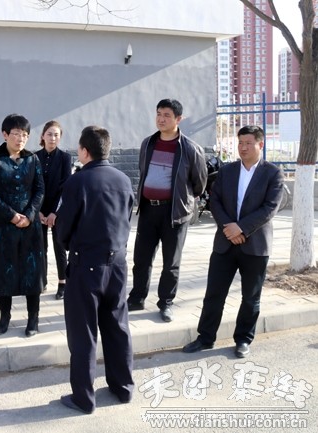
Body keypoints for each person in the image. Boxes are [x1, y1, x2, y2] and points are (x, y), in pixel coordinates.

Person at [182, 125, 284, 358]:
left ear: (260, 144)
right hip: (225, 243)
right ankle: (205, 338)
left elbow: (270, 208)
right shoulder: (227, 171)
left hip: (255, 246)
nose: (243, 147)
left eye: (248, 143)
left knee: (250, 298)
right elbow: (215, 200)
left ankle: (243, 339)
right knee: (214, 294)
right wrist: (229, 227)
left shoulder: (272, 173)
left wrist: (242, 228)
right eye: (240, 143)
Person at [56, 126, 135, 414]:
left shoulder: (77, 182)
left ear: (85, 151)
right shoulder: (124, 180)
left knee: (83, 333)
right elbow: (127, 217)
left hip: (86, 266)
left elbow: (63, 227)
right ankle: (123, 387)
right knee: (117, 327)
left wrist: (68, 245)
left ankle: (83, 397)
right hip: (117, 264)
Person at [126, 99, 207, 322]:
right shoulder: (148, 143)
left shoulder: (190, 148)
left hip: (175, 213)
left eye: (167, 115)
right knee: (141, 259)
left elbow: (199, 183)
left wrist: (182, 199)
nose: (161, 119)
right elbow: (143, 172)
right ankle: (137, 298)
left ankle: (166, 302)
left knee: (171, 263)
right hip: (148, 210)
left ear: (178, 119)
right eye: (159, 114)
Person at [0, 113, 45, 337]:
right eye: (16, 134)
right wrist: (11, 215)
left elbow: (39, 189)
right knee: (5, 271)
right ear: (5, 134)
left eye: (25, 135)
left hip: (30, 226)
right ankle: (5, 317)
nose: (21, 139)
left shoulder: (33, 160)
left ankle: (33, 319)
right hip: (3, 225)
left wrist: (29, 215)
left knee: (31, 271)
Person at [35, 120, 71, 300]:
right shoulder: (34, 157)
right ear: (43, 136)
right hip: (39, 209)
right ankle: (41, 280)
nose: (53, 138)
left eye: (56, 135)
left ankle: (63, 282)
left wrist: (55, 213)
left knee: (59, 246)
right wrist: (38, 211)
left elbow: (65, 187)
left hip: (58, 210)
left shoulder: (65, 158)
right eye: (49, 134)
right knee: (40, 247)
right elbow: (32, 186)